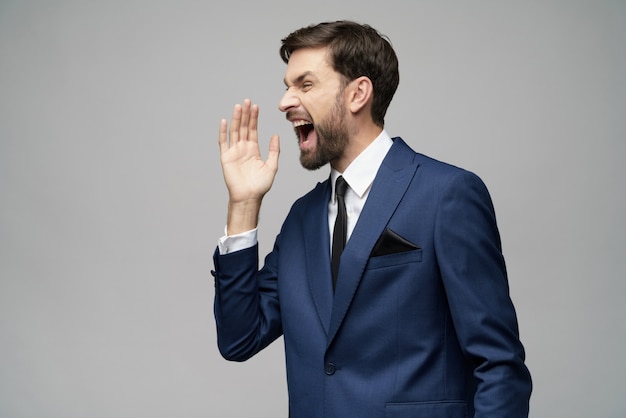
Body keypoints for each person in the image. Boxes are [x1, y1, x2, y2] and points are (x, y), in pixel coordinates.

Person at [212, 20, 532, 418]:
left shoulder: (446, 195)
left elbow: (499, 365)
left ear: (358, 93)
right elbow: (239, 339)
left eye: (305, 84)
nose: (284, 102)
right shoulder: (300, 220)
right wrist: (243, 205)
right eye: (286, 85)